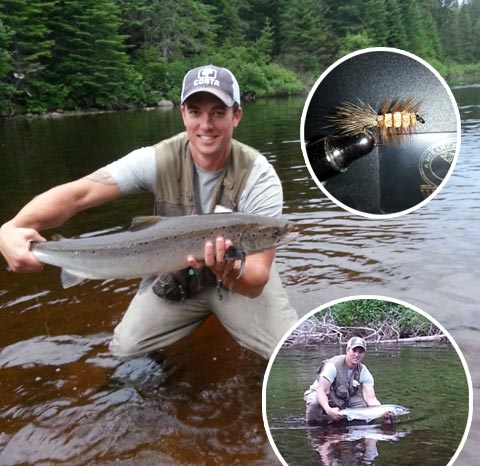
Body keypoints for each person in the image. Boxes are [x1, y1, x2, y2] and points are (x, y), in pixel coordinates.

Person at [0, 64, 298, 359]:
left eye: (218, 113)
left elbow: (257, 277)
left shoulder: (259, 176)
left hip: (237, 281)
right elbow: (80, 194)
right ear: (183, 114)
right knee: (125, 350)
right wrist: (12, 227)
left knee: (290, 352)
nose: (205, 125)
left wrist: (227, 268)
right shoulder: (155, 160)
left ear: (237, 116)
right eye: (195, 111)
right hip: (173, 278)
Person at [304, 337, 386, 424]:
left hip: (344, 395)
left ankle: (348, 428)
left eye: (360, 352)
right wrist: (328, 410)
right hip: (321, 393)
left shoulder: (363, 371)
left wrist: (382, 411)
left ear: (364, 354)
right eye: (354, 350)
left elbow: (371, 399)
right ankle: (313, 428)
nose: (357, 355)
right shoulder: (332, 366)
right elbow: (321, 391)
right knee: (315, 403)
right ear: (347, 350)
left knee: (362, 406)